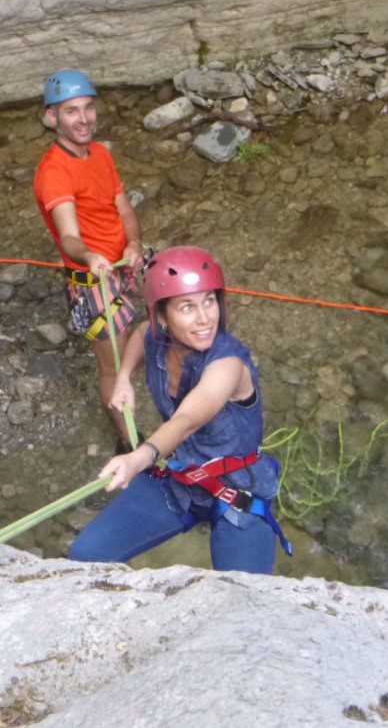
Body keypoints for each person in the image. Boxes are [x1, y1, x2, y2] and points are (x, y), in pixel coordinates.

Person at [68, 246, 292, 574]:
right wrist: (124, 379)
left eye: (209, 301)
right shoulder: (156, 336)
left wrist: (137, 459)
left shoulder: (228, 364)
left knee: (243, 596)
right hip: (178, 478)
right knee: (86, 555)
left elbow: (186, 420)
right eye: (187, 306)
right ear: (162, 316)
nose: (204, 318)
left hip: (237, 493)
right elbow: (141, 334)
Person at [33, 69, 147, 454]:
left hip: (123, 262)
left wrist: (134, 243)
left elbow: (123, 208)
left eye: (88, 108)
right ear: (52, 117)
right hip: (93, 279)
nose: (84, 119)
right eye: (72, 111)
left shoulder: (100, 153)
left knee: (168, 303)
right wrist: (90, 255)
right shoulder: (54, 172)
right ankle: (129, 444)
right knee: (113, 367)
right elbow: (68, 237)